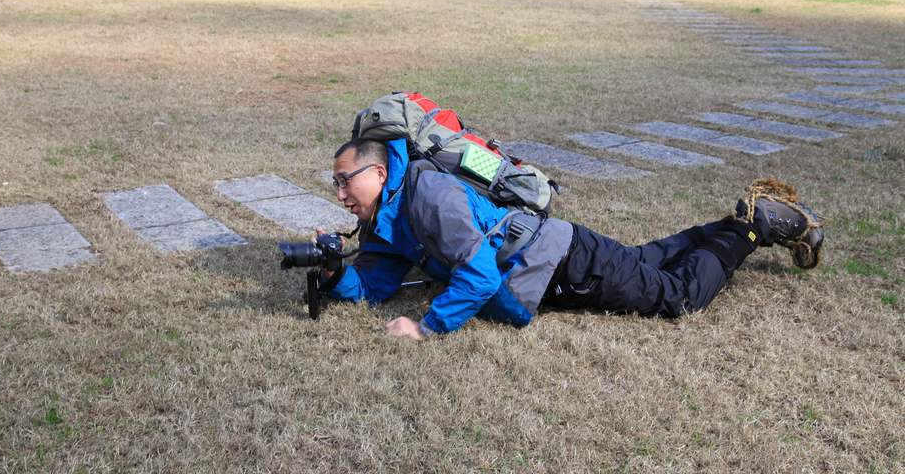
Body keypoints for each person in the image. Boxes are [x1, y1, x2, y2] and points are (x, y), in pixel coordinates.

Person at [315, 126, 824, 341]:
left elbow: (479, 273)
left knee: (678, 295)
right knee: (647, 260)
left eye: (345, 180)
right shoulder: (385, 217)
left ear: (378, 173)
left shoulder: (429, 197)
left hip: (560, 267)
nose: (340, 193)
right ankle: (742, 221)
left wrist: (426, 328)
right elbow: (375, 283)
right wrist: (337, 272)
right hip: (561, 249)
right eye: (334, 183)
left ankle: (752, 229)